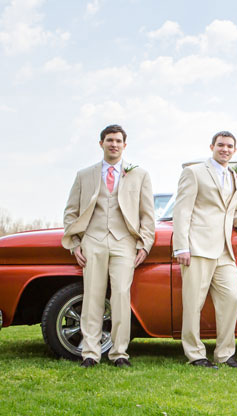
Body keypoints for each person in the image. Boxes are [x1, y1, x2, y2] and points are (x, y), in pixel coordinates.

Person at [62, 124, 155, 367]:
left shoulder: (139, 174)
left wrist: (144, 244)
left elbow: (148, 215)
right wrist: (75, 243)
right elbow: (70, 212)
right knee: (92, 296)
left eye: (118, 141)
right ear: (101, 143)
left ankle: (119, 353)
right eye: (109, 140)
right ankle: (90, 353)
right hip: (92, 241)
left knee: (121, 297)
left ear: (125, 145)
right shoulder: (85, 175)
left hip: (124, 243)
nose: (113, 144)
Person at [173, 131, 237, 369]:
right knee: (193, 303)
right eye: (221, 145)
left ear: (234, 150)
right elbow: (182, 210)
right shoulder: (194, 172)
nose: (225, 149)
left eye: (229, 146)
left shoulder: (236, 179)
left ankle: (225, 353)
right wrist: (181, 246)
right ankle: (195, 354)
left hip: (224, 251)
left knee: (232, 297)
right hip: (197, 247)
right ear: (212, 146)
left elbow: (235, 211)